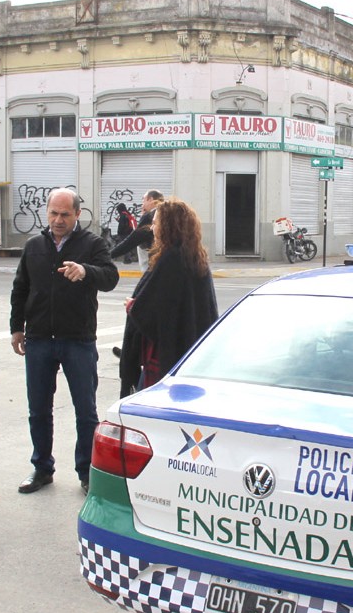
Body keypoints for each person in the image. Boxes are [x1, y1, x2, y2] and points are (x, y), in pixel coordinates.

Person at [11, 188, 119, 495]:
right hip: (40, 340)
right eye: (53, 214)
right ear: (47, 212)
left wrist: (85, 271)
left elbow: (110, 277)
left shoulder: (93, 244)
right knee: (38, 409)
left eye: (65, 215)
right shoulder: (34, 245)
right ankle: (42, 468)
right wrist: (16, 328)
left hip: (78, 340)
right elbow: (21, 288)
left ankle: (87, 472)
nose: (58, 220)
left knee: (85, 411)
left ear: (77, 215)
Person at [118, 197, 219, 395]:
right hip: (190, 352)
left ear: (168, 227)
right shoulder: (195, 257)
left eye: (155, 223)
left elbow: (153, 313)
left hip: (166, 356)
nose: (152, 228)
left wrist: (132, 306)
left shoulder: (171, 259)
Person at [109, 189, 163, 271]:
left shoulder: (150, 216)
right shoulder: (166, 213)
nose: (142, 204)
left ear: (151, 199)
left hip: (154, 264)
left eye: (144, 200)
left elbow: (132, 240)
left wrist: (109, 255)